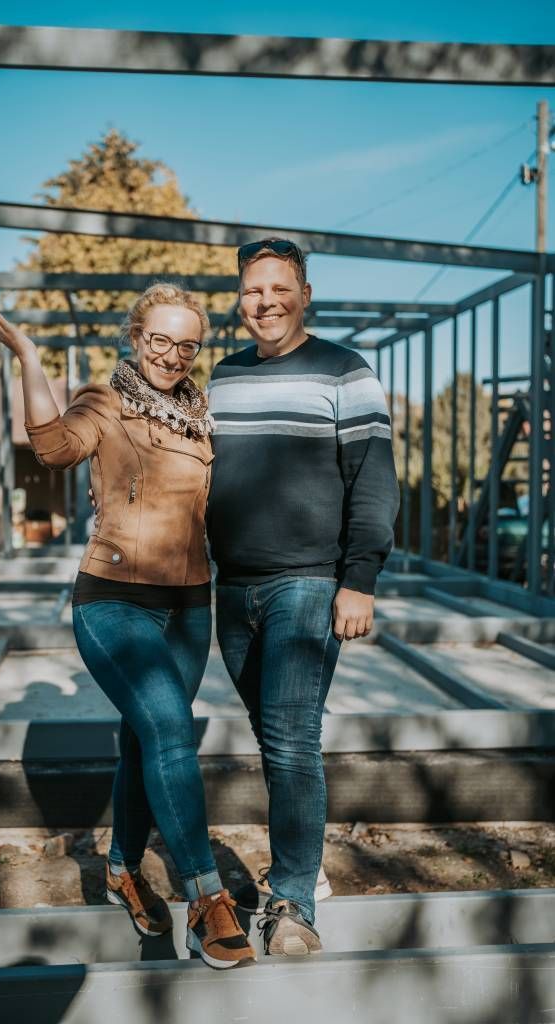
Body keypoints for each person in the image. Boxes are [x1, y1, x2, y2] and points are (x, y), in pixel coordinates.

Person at [0, 285, 256, 971]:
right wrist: (30, 358)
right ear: (135, 338)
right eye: (159, 339)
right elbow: (53, 448)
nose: (171, 355)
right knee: (170, 728)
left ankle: (122, 869)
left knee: (144, 740)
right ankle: (206, 897)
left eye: (186, 344)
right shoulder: (103, 403)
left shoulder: (201, 419)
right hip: (113, 601)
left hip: (188, 607)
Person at [206, 239, 400, 956]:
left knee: (291, 740)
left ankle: (291, 902)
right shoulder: (223, 376)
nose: (265, 302)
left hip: (309, 581)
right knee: (275, 737)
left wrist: (359, 579)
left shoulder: (345, 371)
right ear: (240, 299)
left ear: (305, 294)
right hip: (234, 586)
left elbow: (372, 478)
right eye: (252, 290)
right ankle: (305, 863)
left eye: (279, 288)